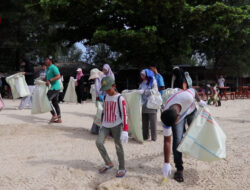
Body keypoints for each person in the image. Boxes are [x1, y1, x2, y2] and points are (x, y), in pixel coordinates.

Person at [161, 88, 206, 182]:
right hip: (178, 114)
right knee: (177, 141)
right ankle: (179, 168)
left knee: (196, 131)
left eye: (174, 124)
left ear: (178, 116)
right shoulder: (166, 117)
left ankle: (187, 134)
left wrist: (199, 101)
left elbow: (193, 90)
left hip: (191, 110)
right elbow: (167, 141)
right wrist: (166, 163)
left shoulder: (187, 97)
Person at [96, 76, 128, 178]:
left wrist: (125, 130)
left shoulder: (120, 98)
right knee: (99, 142)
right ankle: (108, 163)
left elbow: (124, 114)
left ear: (114, 86)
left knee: (118, 146)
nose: (107, 92)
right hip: (106, 124)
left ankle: (122, 167)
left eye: (108, 89)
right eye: (105, 90)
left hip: (117, 125)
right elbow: (104, 112)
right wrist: (102, 125)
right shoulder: (105, 97)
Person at [138, 69, 159, 141]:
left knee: (153, 122)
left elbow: (154, 91)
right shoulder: (142, 83)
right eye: (141, 75)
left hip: (152, 104)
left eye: (143, 75)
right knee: (144, 122)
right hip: (143, 104)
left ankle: (154, 138)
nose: (141, 76)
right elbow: (140, 90)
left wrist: (145, 91)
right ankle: (145, 136)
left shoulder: (153, 81)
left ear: (147, 75)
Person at [45, 56, 62, 123]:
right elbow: (48, 78)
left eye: (46, 59)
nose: (45, 61)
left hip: (54, 87)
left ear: (50, 61)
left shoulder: (53, 67)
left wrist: (50, 80)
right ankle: (59, 118)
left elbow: (58, 76)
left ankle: (54, 115)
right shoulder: (47, 68)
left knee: (46, 101)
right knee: (55, 103)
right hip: (53, 87)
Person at [89, 68, 105, 134]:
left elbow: (104, 88)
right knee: (99, 113)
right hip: (99, 98)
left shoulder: (103, 79)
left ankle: (101, 130)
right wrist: (97, 99)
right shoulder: (97, 80)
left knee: (102, 113)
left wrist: (103, 96)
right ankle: (96, 129)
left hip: (104, 97)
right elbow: (97, 91)